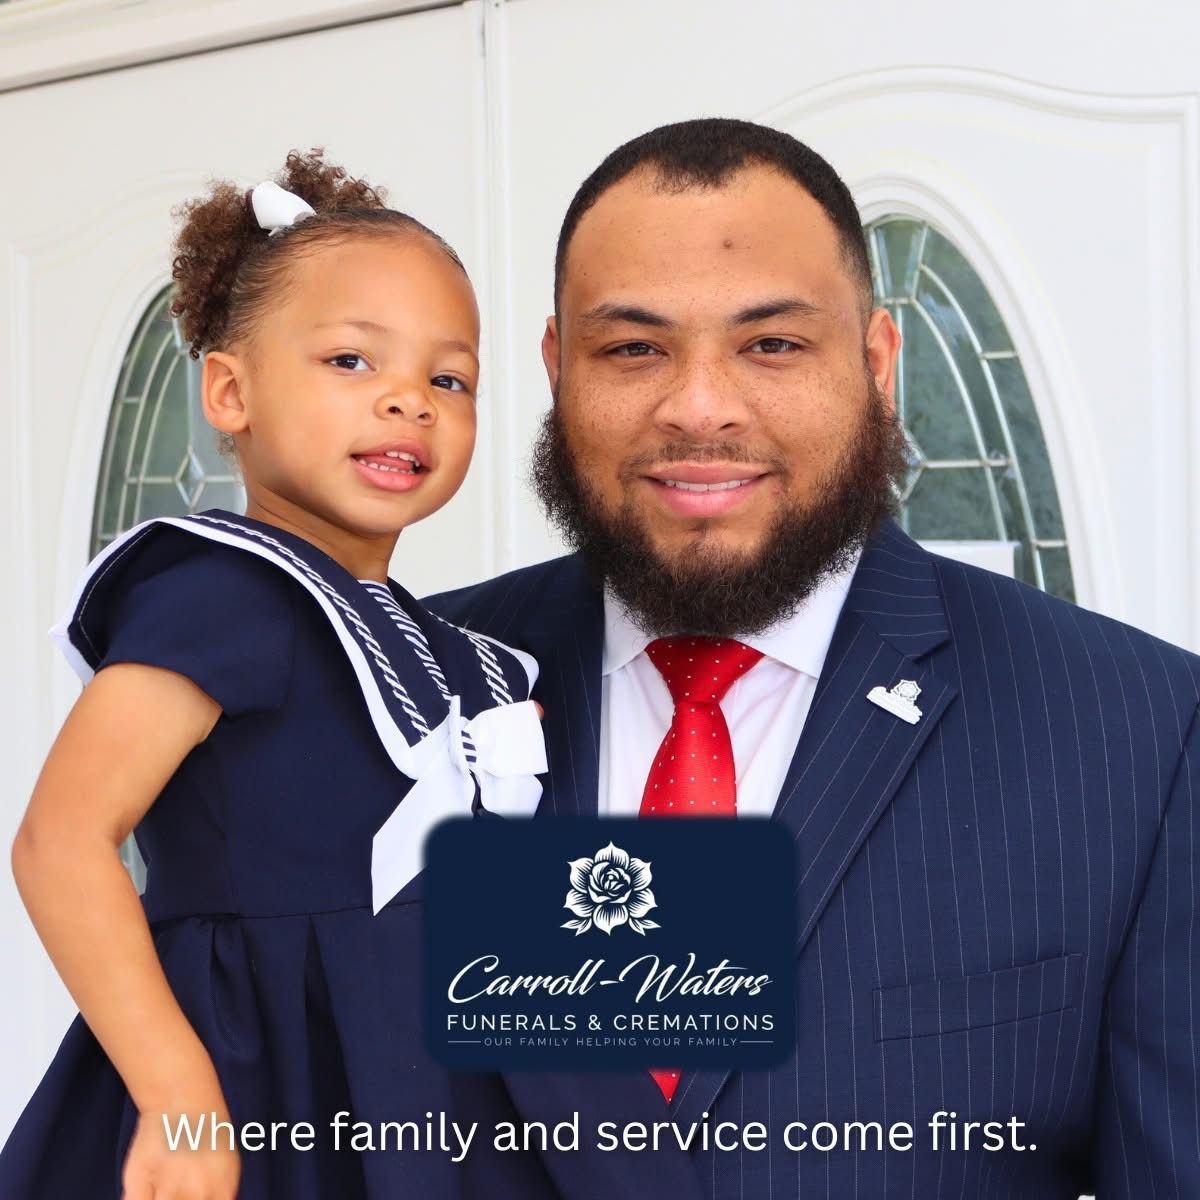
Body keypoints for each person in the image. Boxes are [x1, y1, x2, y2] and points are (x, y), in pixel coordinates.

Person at [428, 118, 1200, 1198]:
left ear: (880, 364)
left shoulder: (1145, 733)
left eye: (773, 345)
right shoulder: (406, 683)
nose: (700, 407)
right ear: (559, 369)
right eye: (635, 348)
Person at [0, 150, 546, 1199]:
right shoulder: (220, 594)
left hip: (431, 1093)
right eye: (351, 362)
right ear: (230, 391)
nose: (408, 402)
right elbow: (60, 841)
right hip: (267, 1081)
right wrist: (177, 1094)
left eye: (448, 379)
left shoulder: (455, 652)